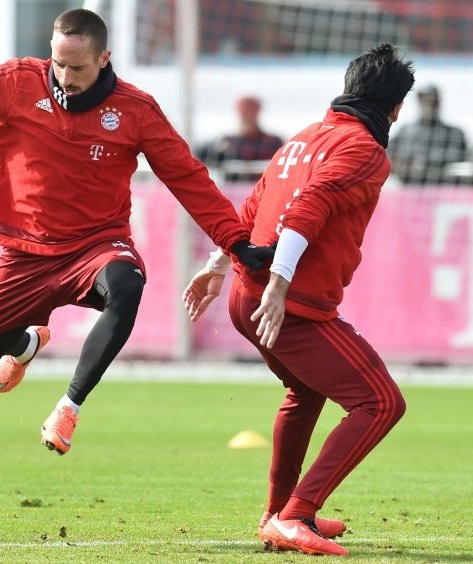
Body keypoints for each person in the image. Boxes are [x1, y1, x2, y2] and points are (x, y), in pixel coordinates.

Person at [0, 8, 274, 456]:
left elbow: (189, 178)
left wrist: (236, 242)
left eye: (78, 67)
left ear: (105, 58)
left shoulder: (136, 110)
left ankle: (68, 407)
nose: (65, 76)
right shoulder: (18, 82)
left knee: (128, 285)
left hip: (97, 244)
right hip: (26, 250)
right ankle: (28, 341)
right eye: (58, 63)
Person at [182, 44, 415, 556]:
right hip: (287, 304)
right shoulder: (365, 149)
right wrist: (282, 285)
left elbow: (253, 204)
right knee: (381, 402)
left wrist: (217, 265)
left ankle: (278, 511)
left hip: (247, 296)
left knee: (305, 393)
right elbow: (309, 205)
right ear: (395, 108)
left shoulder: (302, 139)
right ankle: (295, 514)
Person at [387, 85, 467, 185]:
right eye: (424, 101)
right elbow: (388, 154)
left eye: (432, 101)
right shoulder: (405, 131)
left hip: (443, 187)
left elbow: (458, 160)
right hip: (409, 187)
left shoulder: (454, 133)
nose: (428, 105)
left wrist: (421, 162)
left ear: (438, 103)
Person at [196, 95, 283, 167]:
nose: (248, 115)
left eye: (251, 111)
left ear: (257, 112)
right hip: (232, 187)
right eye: (245, 111)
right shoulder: (227, 142)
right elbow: (200, 154)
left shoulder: (273, 142)